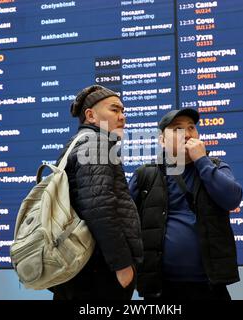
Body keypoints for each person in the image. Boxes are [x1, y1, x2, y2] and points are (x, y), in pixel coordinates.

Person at [129, 108, 242, 300]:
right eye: (178, 129)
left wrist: (201, 160)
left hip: (209, 285)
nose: (188, 134)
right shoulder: (145, 175)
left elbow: (232, 199)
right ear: (162, 141)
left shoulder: (215, 167)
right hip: (160, 287)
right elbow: (125, 219)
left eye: (191, 127)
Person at [50, 85, 143, 300]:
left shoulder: (80, 142)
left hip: (80, 266)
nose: (122, 117)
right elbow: (99, 208)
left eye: (123, 111)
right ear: (90, 115)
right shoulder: (96, 143)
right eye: (114, 110)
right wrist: (121, 265)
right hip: (97, 272)